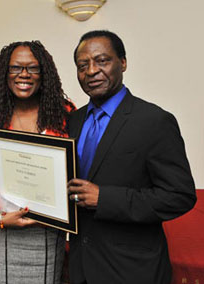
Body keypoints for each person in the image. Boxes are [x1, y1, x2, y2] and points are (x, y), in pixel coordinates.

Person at [67, 30, 196, 284]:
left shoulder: (154, 121)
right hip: (81, 266)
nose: (91, 71)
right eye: (83, 65)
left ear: (123, 62)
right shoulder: (73, 120)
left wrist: (105, 198)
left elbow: (179, 196)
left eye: (102, 61)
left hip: (133, 270)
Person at [0, 40, 75, 283]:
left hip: (46, 234)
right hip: (4, 233)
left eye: (32, 68)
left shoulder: (65, 116)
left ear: (44, 75)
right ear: (5, 74)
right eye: (15, 68)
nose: (24, 75)